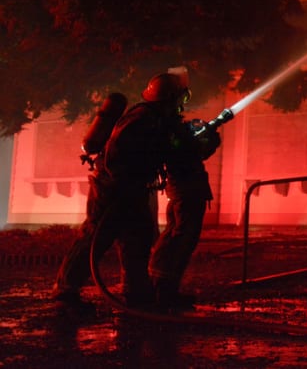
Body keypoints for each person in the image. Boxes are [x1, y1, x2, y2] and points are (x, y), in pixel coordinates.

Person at [53, 73, 190, 307]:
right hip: (112, 191)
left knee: (137, 240)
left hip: (133, 191)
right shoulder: (141, 119)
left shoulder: (156, 120)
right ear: (168, 99)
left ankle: (136, 292)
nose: (181, 105)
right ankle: (65, 290)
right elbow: (116, 156)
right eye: (179, 99)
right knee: (95, 238)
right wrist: (125, 186)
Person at [149, 89, 224, 309]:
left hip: (185, 192)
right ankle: (163, 290)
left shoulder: (172, 129)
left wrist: (208, 131)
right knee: (180, 240)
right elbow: (188, 150)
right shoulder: (172, 132)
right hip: (186, 192)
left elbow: (196, 149)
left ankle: (164, 287)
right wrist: (206, 132)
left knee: (178, 239)